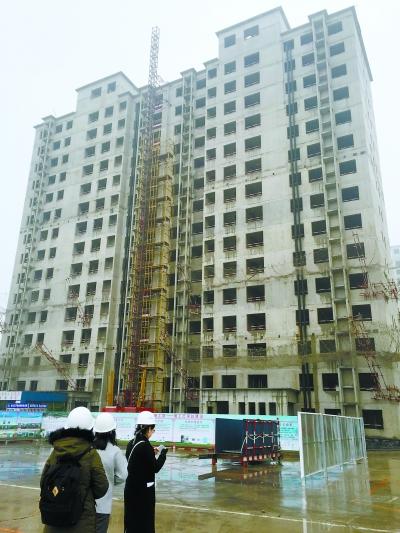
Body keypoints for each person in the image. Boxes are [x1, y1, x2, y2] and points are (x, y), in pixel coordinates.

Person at [40, 406, 109, 533]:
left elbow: (43, 482)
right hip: (81, 522)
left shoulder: (56, 451)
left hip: (53, 519)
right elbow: (102, 487)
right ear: (90, 429)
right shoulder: (91, 454)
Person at [124, 411, 168, 533]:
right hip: (143, 493)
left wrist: (151, 453)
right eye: (153, 430)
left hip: (130, 489)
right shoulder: (145, 446)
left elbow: (136, 461)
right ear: (148, 428)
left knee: (131, 522)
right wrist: (163, 454)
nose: (152, 432)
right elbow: (155, 467)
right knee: (145, 523)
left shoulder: (131, 443)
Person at [93, 412, 128, 533]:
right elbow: (123, 475)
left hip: (85, 505)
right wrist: (110, 481)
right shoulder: (115, 451)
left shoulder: (89, 447)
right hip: (103, 506)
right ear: (112, 432)